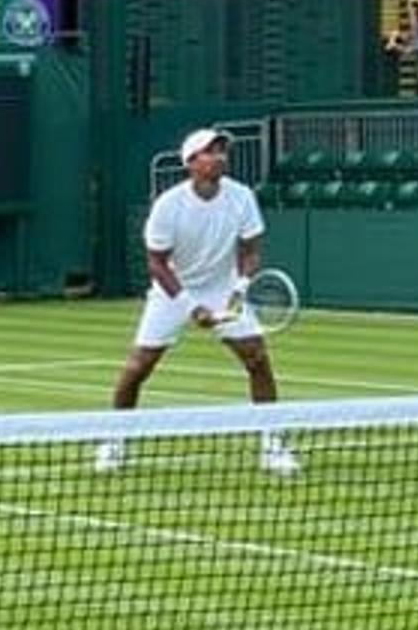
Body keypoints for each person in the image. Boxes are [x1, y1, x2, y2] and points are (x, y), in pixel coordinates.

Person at [96, 128, 298, 475]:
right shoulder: (168, 206)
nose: (219, 157)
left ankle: (272, 444)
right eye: (210, 151)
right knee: (138, 367)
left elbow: (250, 251)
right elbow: (156, 264)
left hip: (224, 289)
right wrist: (191, 307)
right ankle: (114, 441)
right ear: (191, 162)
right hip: (173, 290)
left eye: (222, 151)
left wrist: (240, 288)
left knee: (258, 359)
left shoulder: (241, 197)